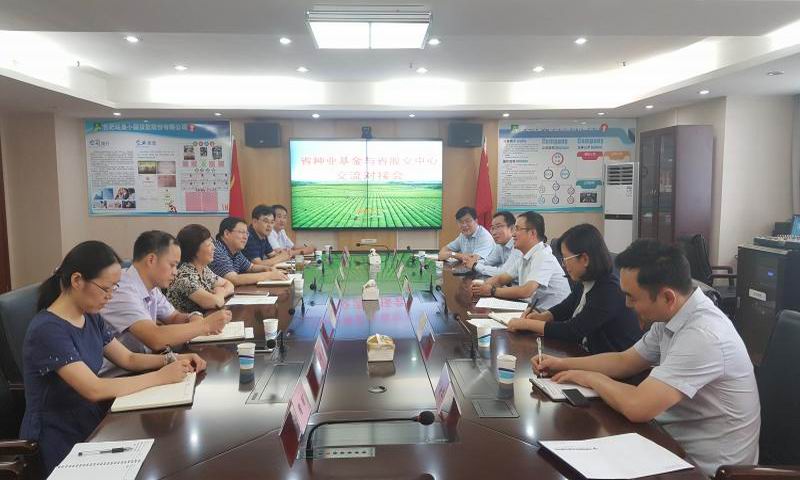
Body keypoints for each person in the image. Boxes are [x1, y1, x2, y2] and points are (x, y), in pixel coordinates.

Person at [533, 239, 760, 476]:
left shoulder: (704, 335)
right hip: (668, 444)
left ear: (667, 298)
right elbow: (625, 361)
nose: (627, 304)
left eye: (632, 297)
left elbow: (638, 406)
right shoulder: (673, 315)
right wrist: (561, 364)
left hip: (704, 469)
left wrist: (589, 378)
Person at [20, 241, 206, 475]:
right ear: (77, 281)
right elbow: (94, 389)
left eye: (114, 288)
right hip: (58, 436)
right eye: (105, 288)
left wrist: (174, 359)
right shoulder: (48, 330)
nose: (110, 296)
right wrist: (161, 377)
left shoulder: (90, 316)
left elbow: (128, 358)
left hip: (91, 421)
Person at [100, 231, 231, 376]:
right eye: (172, 265)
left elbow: (173, 317)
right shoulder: (121, 288)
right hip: (116, 374)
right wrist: (204, 325)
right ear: (151, 260)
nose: (175, 272)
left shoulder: (151, 286)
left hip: (143, 363)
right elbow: (155, 338)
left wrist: (193, 316)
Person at [506, 224, 642, 354]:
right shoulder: (585, 281)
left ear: (585, 259)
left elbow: (573, 330)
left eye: (566, 258)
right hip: (586, 352)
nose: (563, 264)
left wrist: (527, 324)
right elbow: (567, 307)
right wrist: (543, 316)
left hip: (610, 361)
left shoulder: (609, 291)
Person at [471, 211, 570, 310]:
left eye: (517, 229)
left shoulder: (543, 256)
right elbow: (501, 279)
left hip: (553, 314)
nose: (513, 234)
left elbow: (526, 291)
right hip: (533, 310)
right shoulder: (525, 256)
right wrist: (481, 286)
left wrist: (492, 291)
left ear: (532, 233)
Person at [168, 224, 236, 313]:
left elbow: (229, 285)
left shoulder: (204, 269)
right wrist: (219, 293)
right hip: (187, 321)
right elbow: (215, 303)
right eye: (209, 244)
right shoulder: (185, 277)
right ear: (194, 250)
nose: (214, 247)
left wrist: (220, 293)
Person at [209, 217, 288, 286]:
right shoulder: (217, 251)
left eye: (247, 233)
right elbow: (234, 279)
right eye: (241, 232)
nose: (245, 237)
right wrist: (269, 275)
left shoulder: (235, 251)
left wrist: (266, 269)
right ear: (226, 233)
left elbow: (251, 267)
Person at [461, 211, 520, 276]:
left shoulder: (518, 246)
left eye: (498, 227)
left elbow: (503, 273)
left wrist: (474, 265)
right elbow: (487, 262)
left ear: (512, 229)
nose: (494, 233)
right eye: (492, 228)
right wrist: (471, 261)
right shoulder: (500, 246)